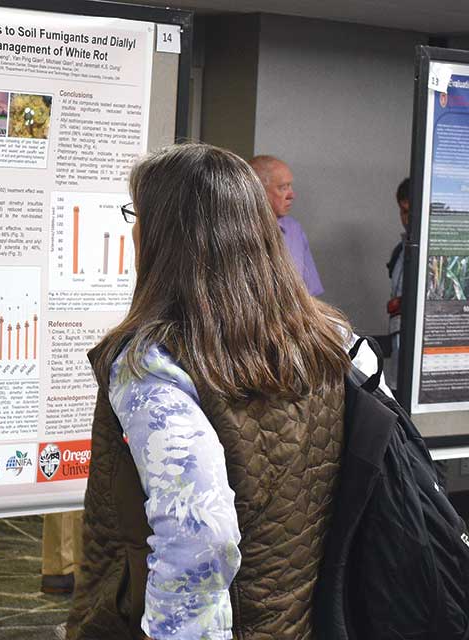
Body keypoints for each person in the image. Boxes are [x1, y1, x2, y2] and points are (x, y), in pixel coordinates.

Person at [67, 143, 381, 639]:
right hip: (300, 619)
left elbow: (202, 538)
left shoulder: (154, 364)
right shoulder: (331, 344)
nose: (133, 229)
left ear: (166, 235)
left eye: (137, 214)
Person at [249, 155, 324, 296]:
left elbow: (310, 295)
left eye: (290, 186)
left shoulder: (294, 231)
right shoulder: (230, 230)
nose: (292, 195)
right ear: (258, 191)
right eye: (283, 188)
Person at [386, 177, 410, 392]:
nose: (407, 218)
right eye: (403, 211)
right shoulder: (399, 252)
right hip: (398, 339)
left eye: (412, 211)